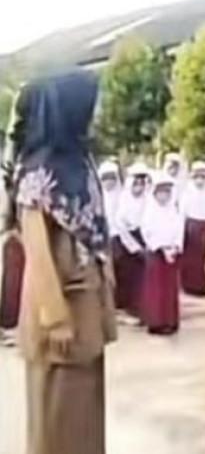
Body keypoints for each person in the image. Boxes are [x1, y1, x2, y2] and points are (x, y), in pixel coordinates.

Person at [10, 71, 117, 454]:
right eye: (91, 104)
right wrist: (55, 318)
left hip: (86, 302)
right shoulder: (38, 170)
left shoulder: (79, 161)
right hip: (59, 307)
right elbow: (37, 251)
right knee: (56, 414)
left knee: (83, 410)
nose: (96, 113)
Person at [140, 173, 185, 335]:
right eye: (160, 192)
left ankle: (170, 321)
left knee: (170, 289)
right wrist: (161, 248)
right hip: (156, 255)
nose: (163, 196)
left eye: (167, 192)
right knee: (156, 289)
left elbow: (179, 229)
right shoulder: (150, 211)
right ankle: (156, 322)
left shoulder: (174, 211)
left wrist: (175, 247)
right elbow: (147, 231)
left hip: (172, 255)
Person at [113, 162, 151, 321]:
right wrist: (135, 247)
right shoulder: (124, 199)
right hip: (127, 243)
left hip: (145, 239)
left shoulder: (149, 199)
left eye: (142, 183)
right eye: (136, 183)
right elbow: (120, 224)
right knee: (127, 277)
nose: (139, 186)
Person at [180, 161, 205, 296]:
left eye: (202, 177)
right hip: (191, 227)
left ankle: (204, 286)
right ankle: (189, 286)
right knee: (191, 259)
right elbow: (182, 212)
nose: (200, 180)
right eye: (197, 177)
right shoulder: (187, 192)